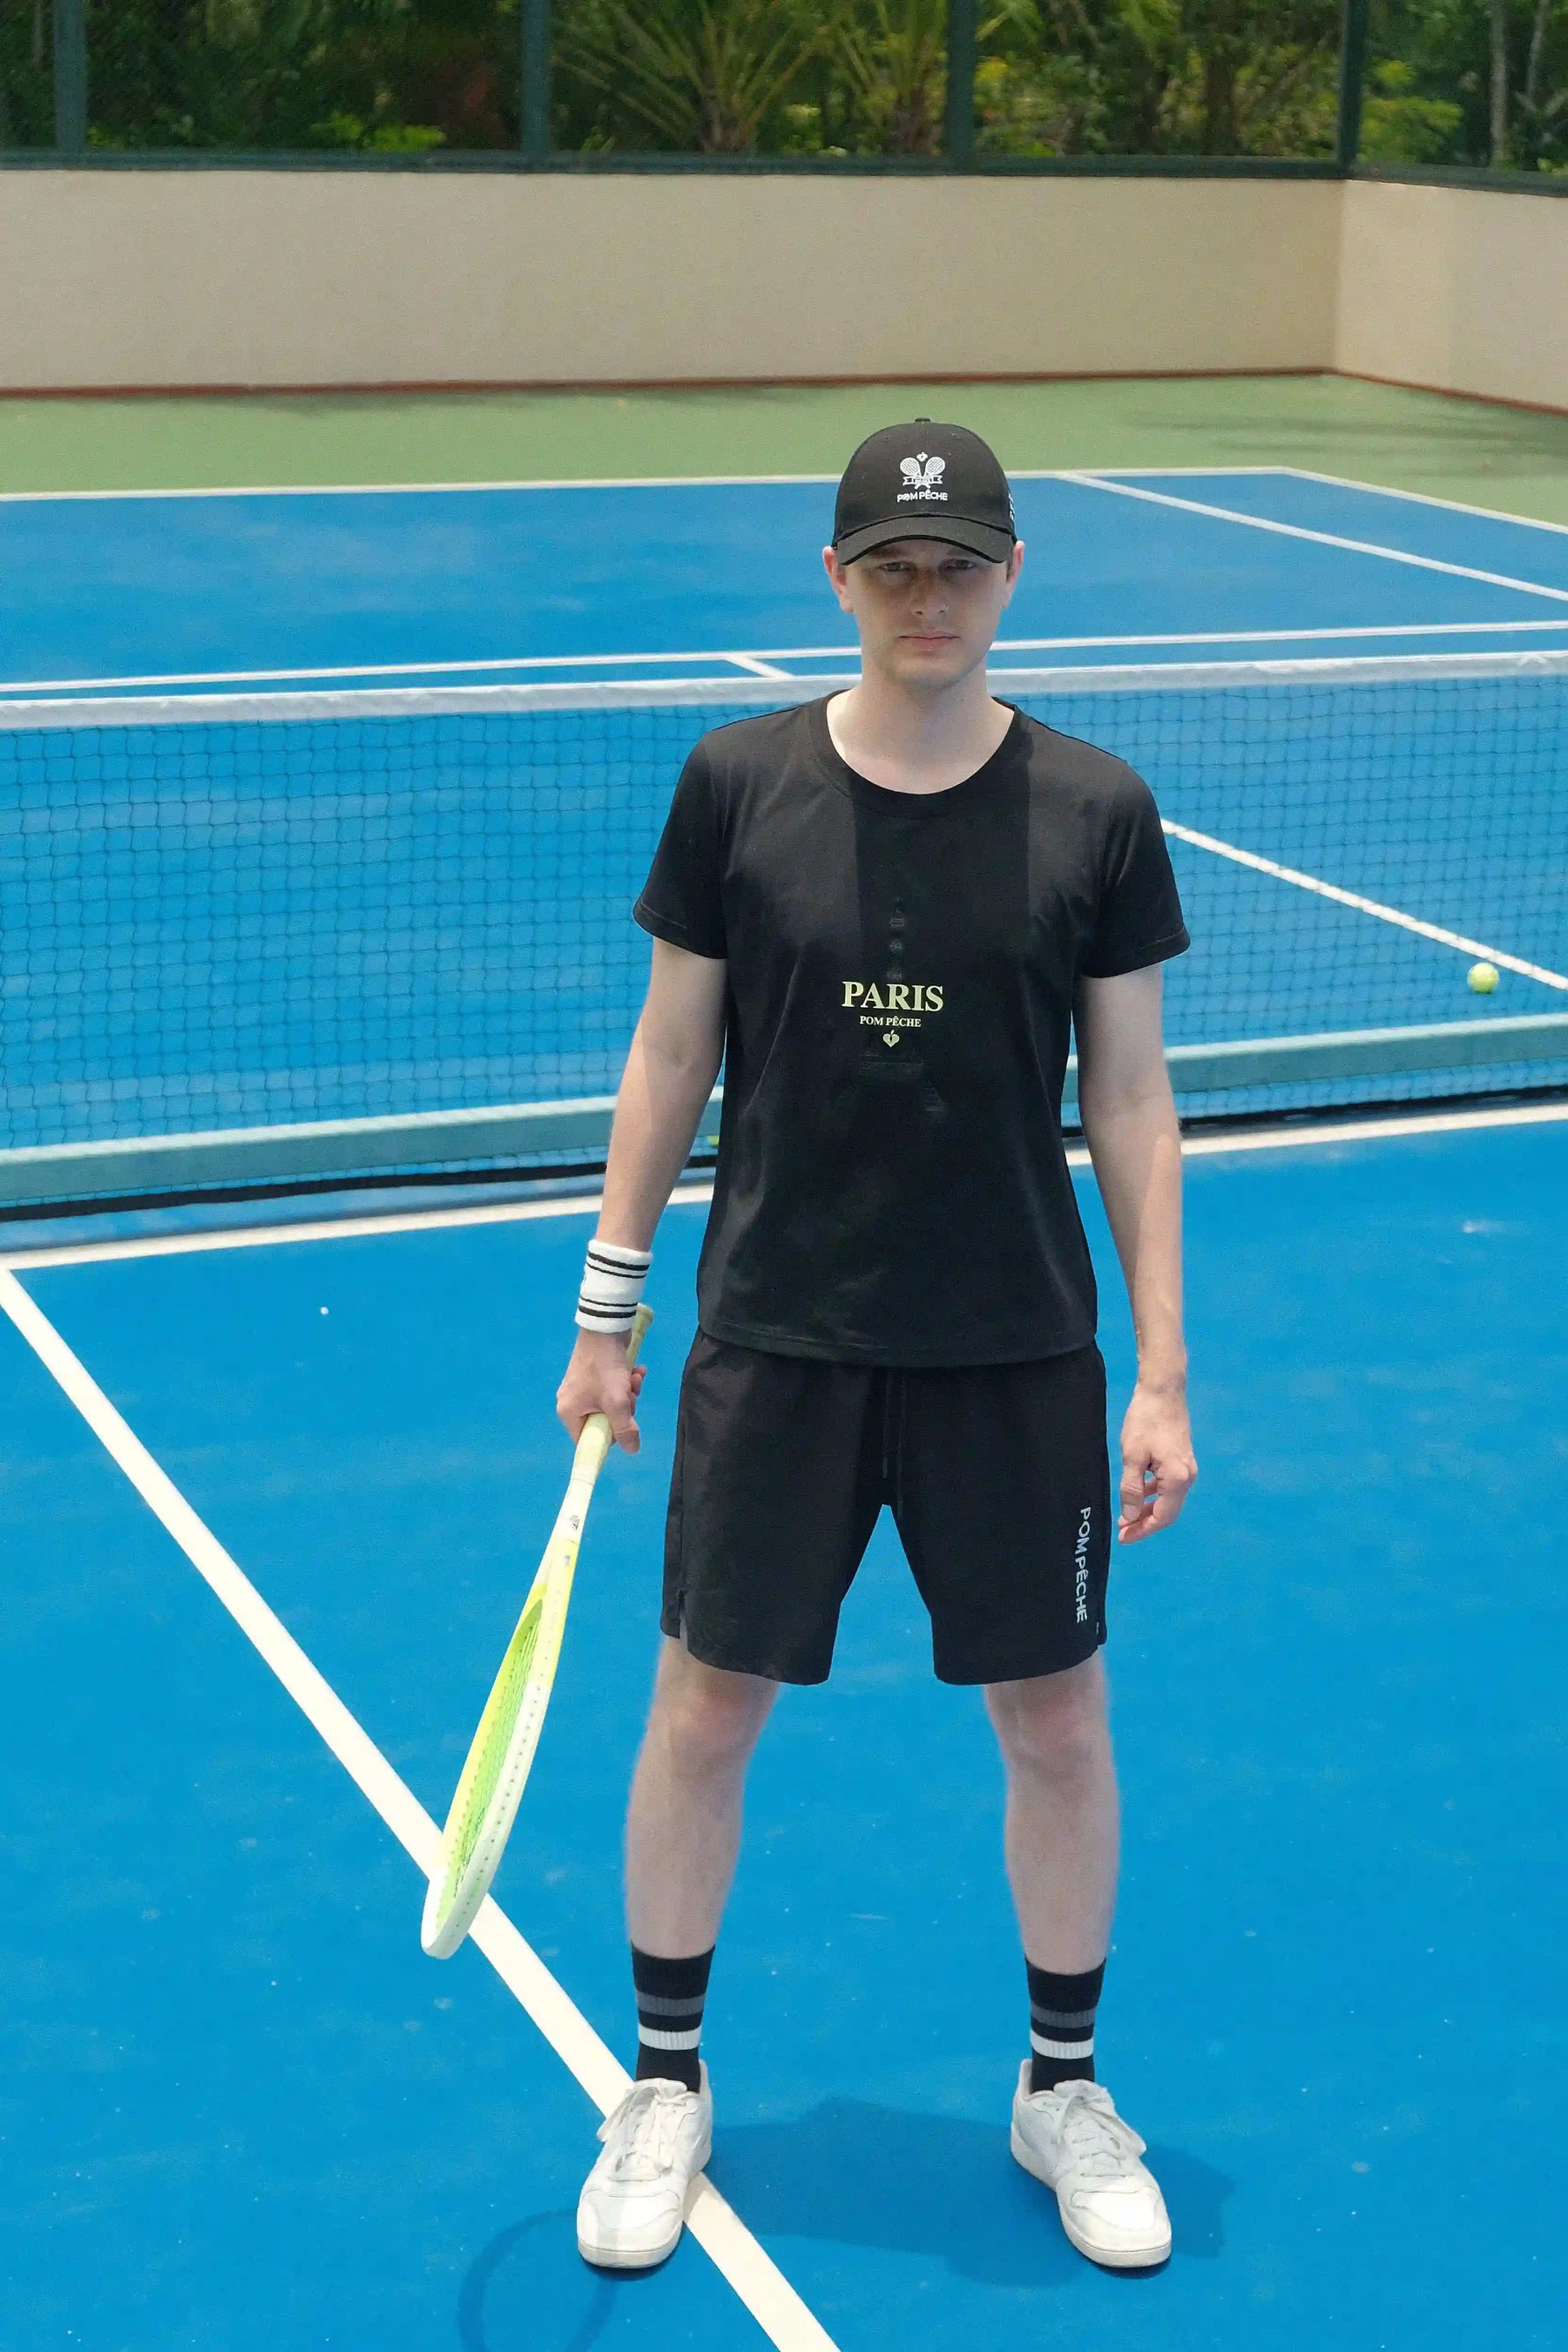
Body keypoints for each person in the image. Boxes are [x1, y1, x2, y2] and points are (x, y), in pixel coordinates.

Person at [558, 419, 1197, 2276]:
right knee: (703, 1711)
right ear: (838, 579)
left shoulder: (1095, 808)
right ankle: (664, 2084)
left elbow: (1137, 1104)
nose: (931, 598)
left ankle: (1060, 2086)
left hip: (1018, 1353)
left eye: (963, 566)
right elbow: (672, 1053)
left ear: (1012, 578)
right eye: (895, 568)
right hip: (781, 1337)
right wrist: (611, 1302)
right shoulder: (737, 783)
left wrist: (1162, 1370)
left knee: (1058, 1727)